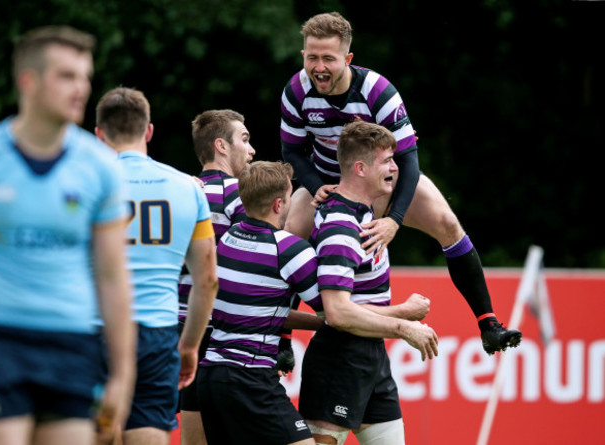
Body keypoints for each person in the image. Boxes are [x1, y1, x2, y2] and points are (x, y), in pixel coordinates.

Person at [280, 11, 521, 355]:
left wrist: (394, 219)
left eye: (328, 59)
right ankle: (282, 340)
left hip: (384, 181)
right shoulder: (295, 91)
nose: (319, 67)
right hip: (330, 181)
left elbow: (408, 160)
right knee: (290, 235)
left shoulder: (378, 91)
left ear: (347, 59)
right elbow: (292, 150)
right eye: (312, 57)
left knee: (448, 224)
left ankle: (489, 324)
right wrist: (315, 184)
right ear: (303, 54)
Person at [0, 26, 136, 445]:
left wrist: (123, 377)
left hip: (72, 342)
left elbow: (112, 276)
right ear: (28, 81)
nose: (81, 89)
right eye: (67, 76)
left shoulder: (100, 167)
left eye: (85, 76)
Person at [299, 121, 439, 445]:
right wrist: (404, 323)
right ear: (360, 168)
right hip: (339, 358)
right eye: (387, 161)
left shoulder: (364, 210)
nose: (395, 166)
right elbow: (337, 313)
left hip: (371, 353)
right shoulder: (340, 226)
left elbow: (405, 171)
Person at [95, 87, 218, 445]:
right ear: (148, 131)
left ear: (99, 134)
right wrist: (189, 346)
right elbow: (207, 280)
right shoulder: (188, 187)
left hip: (95, 327)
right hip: (157, 330)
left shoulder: (82, 182)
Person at [196, 161, 326, 445]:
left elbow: (260, 309)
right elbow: (335, 312)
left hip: (211, 378)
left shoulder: (228, 239)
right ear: (279, 204)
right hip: (250, 379)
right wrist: (402, 320)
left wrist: (320, 323)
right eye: (290, 197)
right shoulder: (290, 250)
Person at [174, 109, 254, 445]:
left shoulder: (178, 192)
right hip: (225, 332)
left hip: (181, 323)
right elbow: (254, 264)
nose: (251, 150)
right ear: (221, 146)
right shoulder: (238, 193)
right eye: (245, 140)